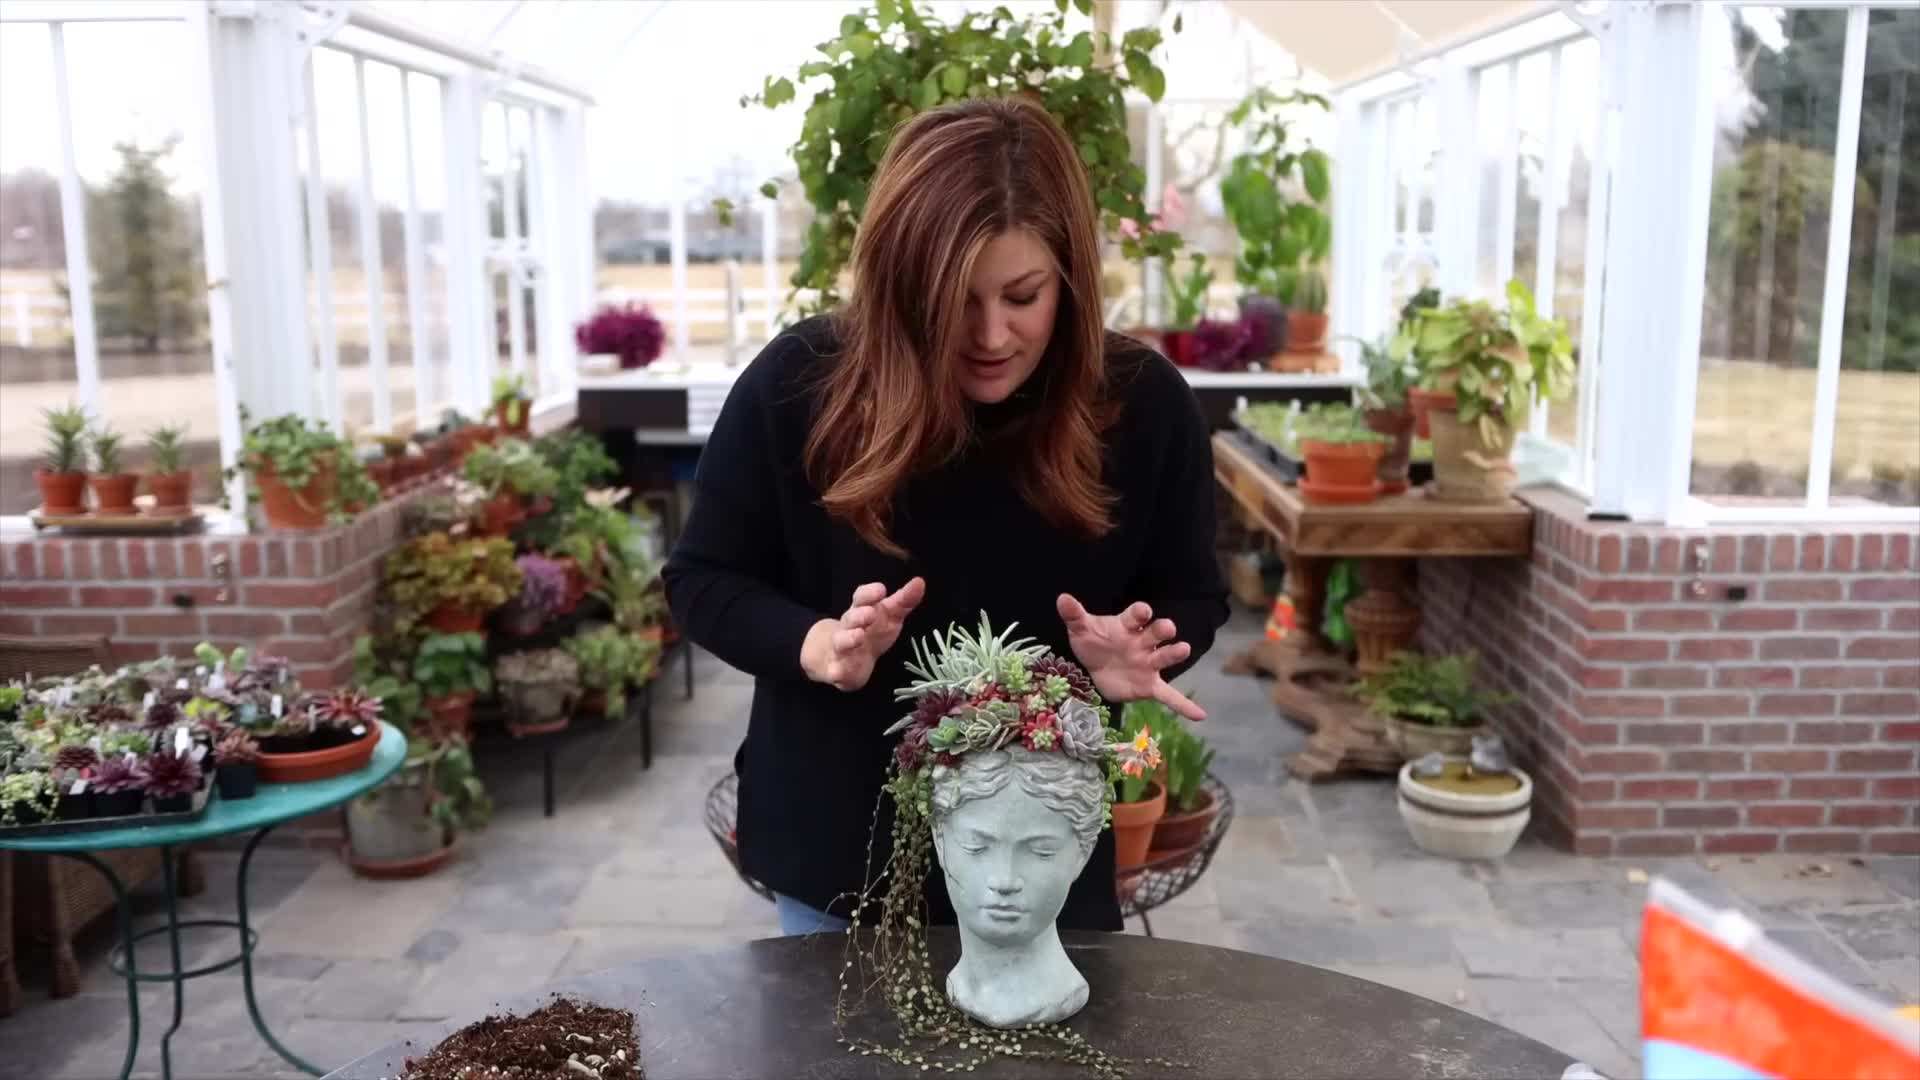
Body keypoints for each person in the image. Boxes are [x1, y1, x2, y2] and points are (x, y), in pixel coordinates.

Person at [662, 96, 1229, 938]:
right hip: (837, 857)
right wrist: (814, 645)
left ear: (1070, 280)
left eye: (1024, 296)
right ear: (898, 283)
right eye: (956, 299)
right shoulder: (801, 385)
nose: (992, 334)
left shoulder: (1139, 404)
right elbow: (702, 578)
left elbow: (1194, 592)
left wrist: (1140, 646)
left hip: (1042, 854)